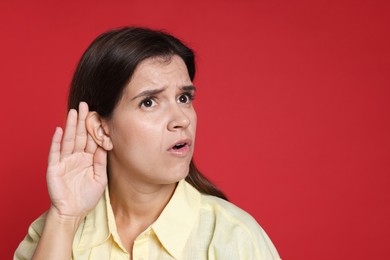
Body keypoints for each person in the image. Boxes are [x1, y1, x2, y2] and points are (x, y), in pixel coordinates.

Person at [14, 27, 281, 260]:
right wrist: (65, 218)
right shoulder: (51, 232)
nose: (181, 120)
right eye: (149, 102)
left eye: (184, 98)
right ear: (101, 130)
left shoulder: (234, 237)